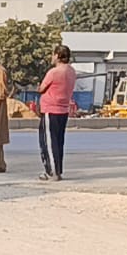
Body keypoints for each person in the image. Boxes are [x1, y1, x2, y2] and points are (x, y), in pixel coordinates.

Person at [36, 46, 76, 181]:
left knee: (48, 142)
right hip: (63, 110)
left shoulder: (54, 72)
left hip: (50, 109)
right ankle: (58, 170)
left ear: (58, 55)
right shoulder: (71, 71)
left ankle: (51, 172)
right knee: (59, 142)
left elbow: (41, 88)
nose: (52, 57)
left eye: (53, 55)